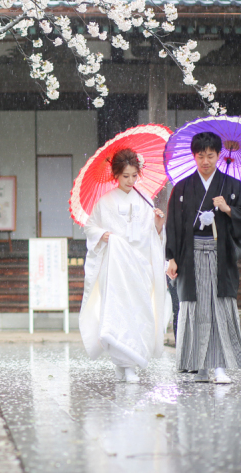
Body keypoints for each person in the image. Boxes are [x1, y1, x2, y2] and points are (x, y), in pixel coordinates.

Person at [166, 131, 241, 384]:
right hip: (190, 256)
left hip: (219, 256)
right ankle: (199, 366)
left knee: (219, 309)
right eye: (200, 156)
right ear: (194, 156)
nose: (205, 161)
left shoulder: (232, 186)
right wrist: (171, 258)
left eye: (211, 155)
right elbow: (173, 225)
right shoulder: (182, 188)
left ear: (219, 156)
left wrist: (227, 209)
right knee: (195, 309)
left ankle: (219, 367)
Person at [80, 148, 168, 383]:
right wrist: (104, 234)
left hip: (140, 265)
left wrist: (158, 225)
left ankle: (130, 358)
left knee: (140, 310)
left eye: (133, 176)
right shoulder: (105, 202)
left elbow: (153, 236)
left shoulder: (146, 201)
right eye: (125, 176)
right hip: (116, 266)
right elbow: (90, 227)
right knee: (118, 310)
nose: (130, 181)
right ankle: (126, 364)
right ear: (116, 176)